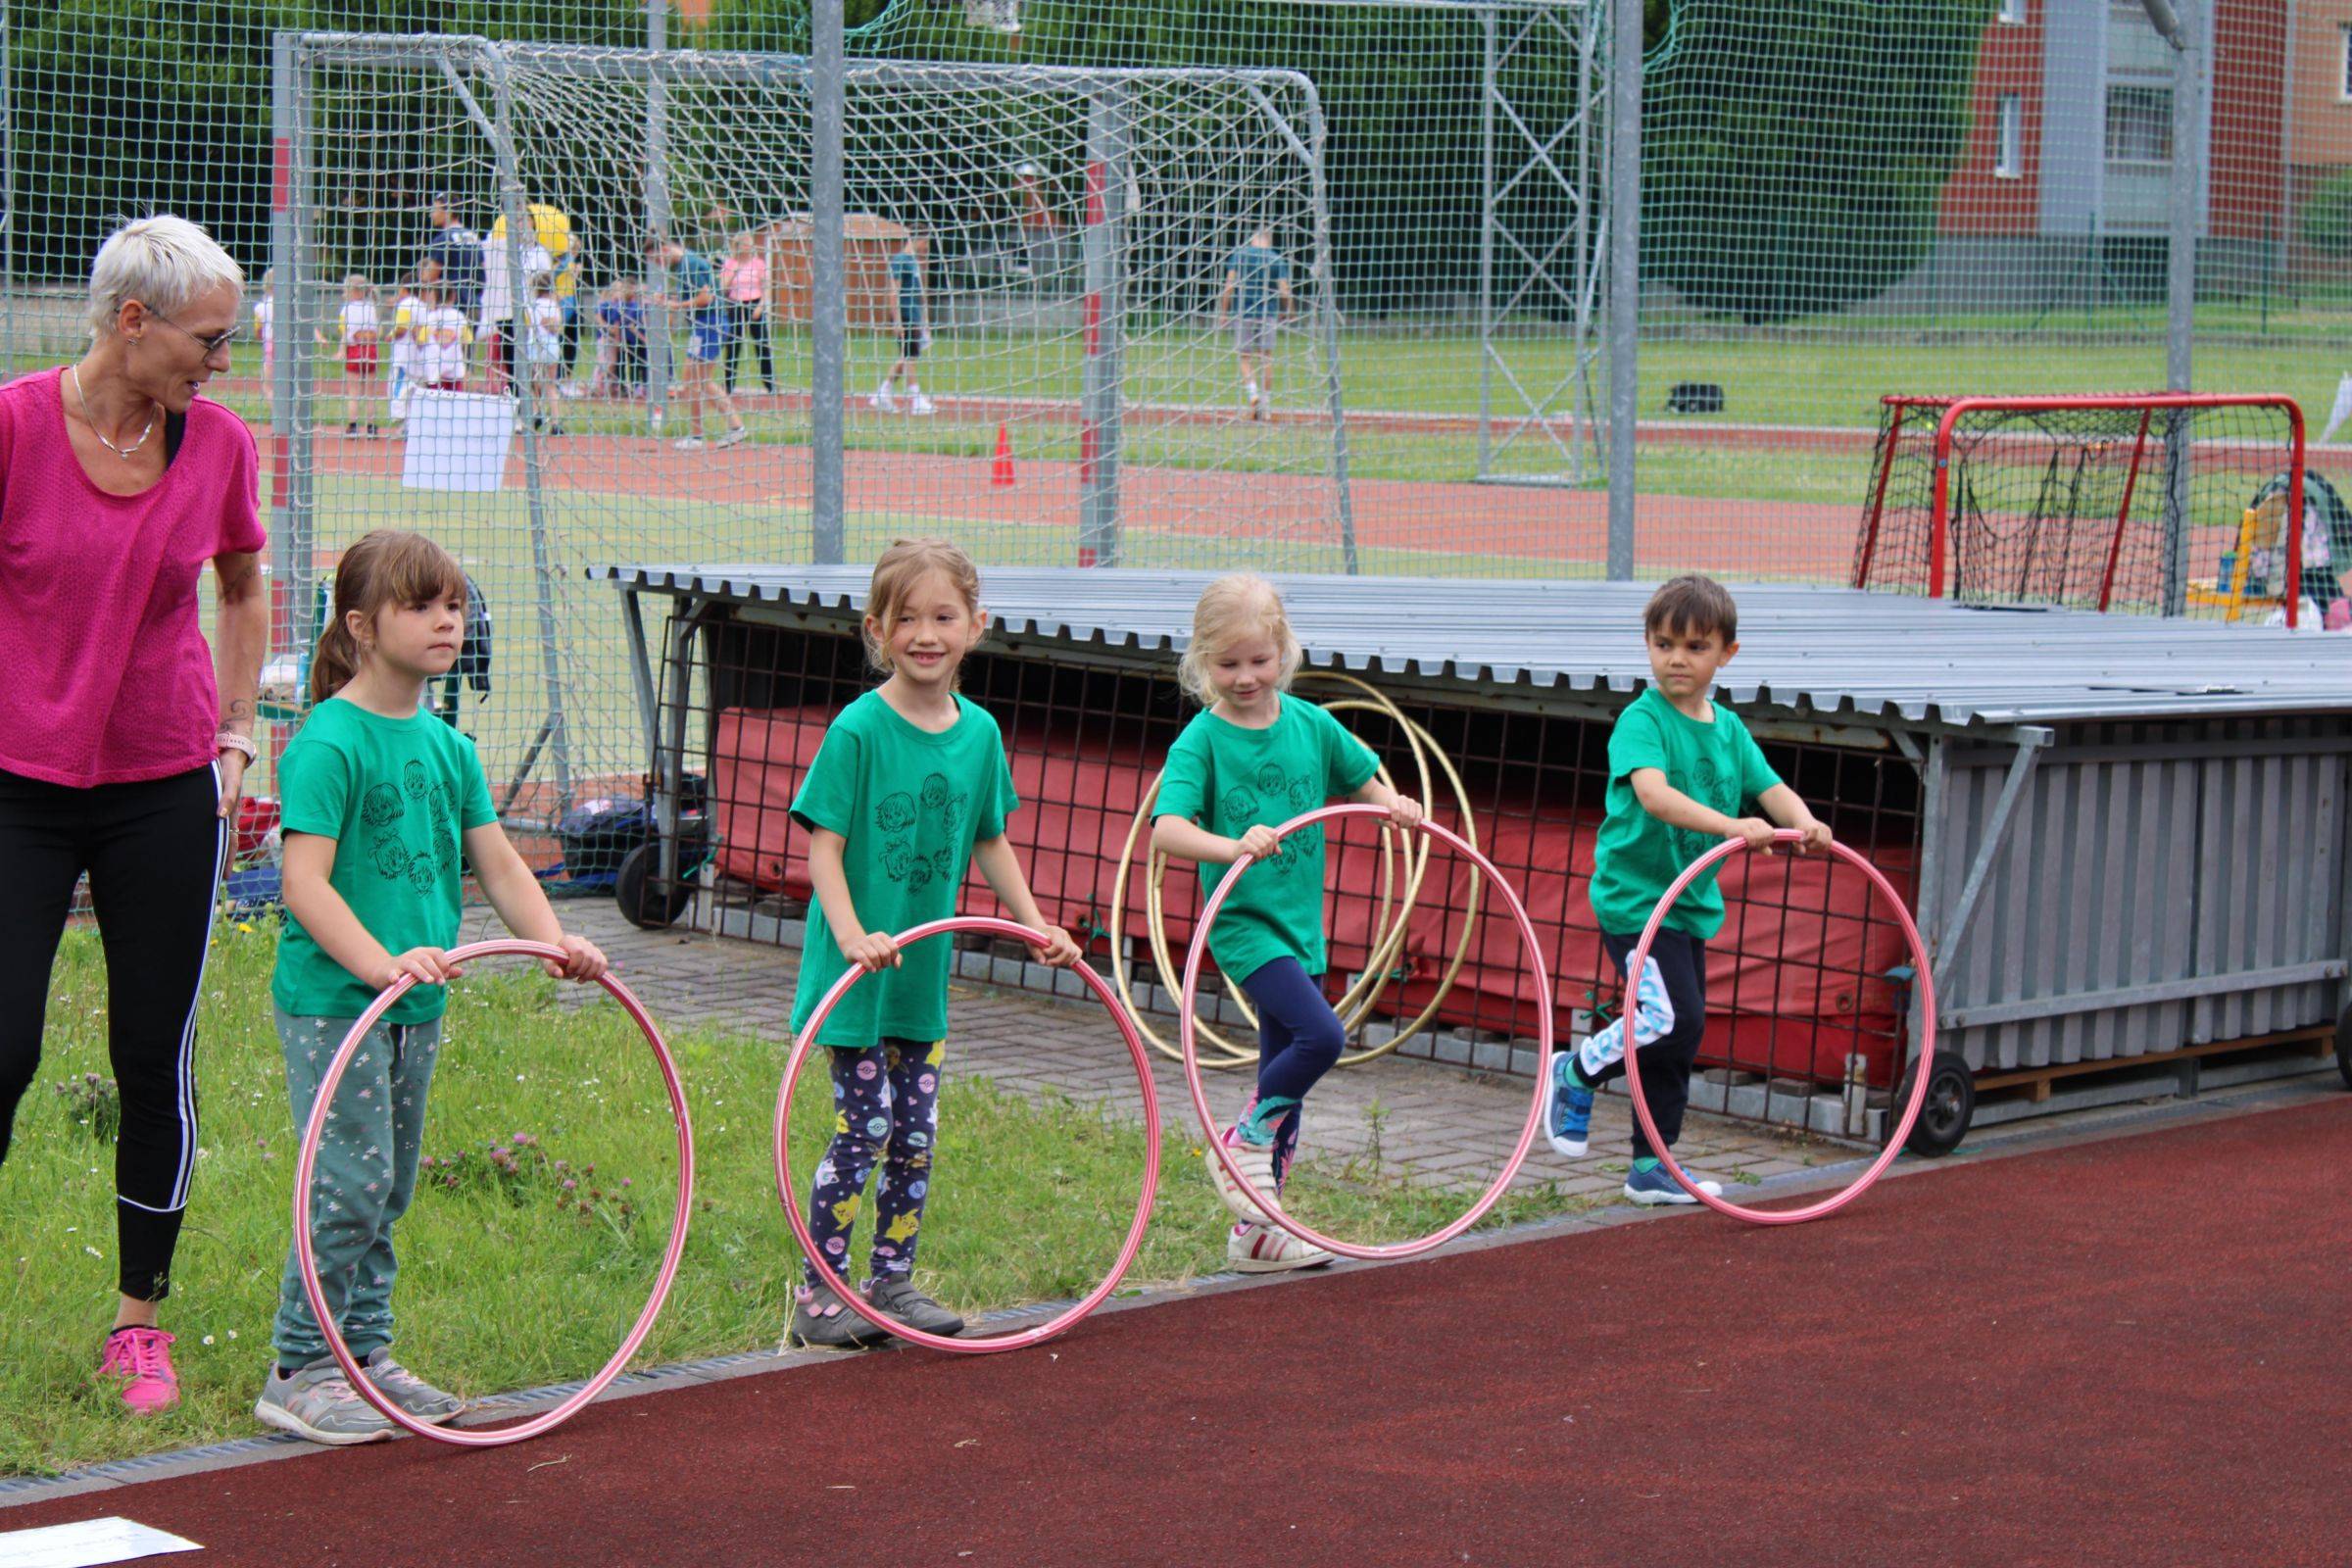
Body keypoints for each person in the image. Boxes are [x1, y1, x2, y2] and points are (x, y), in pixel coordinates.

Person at [254, 529, 609, 1445]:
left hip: (416, 1001)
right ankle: (300, 1366)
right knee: (346, 1184)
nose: (447, 620)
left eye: (454, 603)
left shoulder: (449, 749)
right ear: (363, 627)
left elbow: (498, 865)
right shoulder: (329, 742)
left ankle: (363, 1353)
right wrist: (377, 964)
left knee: (390, 1182)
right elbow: (304, 886)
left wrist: (554, 940)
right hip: (340, 1001)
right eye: (422, 605)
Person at [0, 215, 269, 1414]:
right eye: (209, 339)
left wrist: (236, 732)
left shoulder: (215, 445)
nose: (223, 360)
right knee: (2, 1046)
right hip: (16, 779)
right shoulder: (10, 427)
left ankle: (139, 1325)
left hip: (162, 779)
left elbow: (243, 584)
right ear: (132, 322)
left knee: (151, 1050)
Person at [785, 538, 1080, 1348]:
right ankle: (819, 1295)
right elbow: (824, 847)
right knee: (866, 1128)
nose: (925, 633)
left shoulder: (979, 734)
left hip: (920, 982)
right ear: (877, 630)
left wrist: (1033, 923)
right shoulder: (858, 730)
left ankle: (893, 1281)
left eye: (943, 616)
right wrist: (849, 935)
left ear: (976, 625)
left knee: (916, 1135)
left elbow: (991, 840)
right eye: (906, 618)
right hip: (859, 976)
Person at [1152, 574, 1423, 1274]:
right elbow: (1168, 829)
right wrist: (1231, 846)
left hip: (1304, 927)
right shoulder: (1202, 741)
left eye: (1258, 660)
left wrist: (1393, 802)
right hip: (1246, 925)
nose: (1245, 677)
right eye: (1227, 664)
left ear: (1283, 652)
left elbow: (1362, 776)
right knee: (1321, 1036)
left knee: (1286, 1078)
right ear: (1202, 663)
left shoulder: (1311, 725)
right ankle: (1240, 1141)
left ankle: (1258, 1231)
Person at [1546, 574, 1833, 1203]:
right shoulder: (1641, 720)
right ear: (1647, 645)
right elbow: (1654, 796)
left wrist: (1805, 823)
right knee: (1667, 1017)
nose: (1677, 659)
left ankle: (1652, 1165)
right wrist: (1732, 825)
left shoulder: (1727, 730)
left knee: (1680, 1034)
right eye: (1664, 644)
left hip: (1690, 905)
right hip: (1636, 901)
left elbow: (1771, 788)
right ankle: (1575, 1069)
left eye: (1696, 647)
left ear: (1727, 653)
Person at [645, 235, 746, 453]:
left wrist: (676, 305)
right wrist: (668, 300)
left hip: (710, 324)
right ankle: (724, 429)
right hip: (703, 325)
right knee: (696, 382)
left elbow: (705, 298)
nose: (657, 264)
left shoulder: (689, 264)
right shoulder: (683, 265)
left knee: (695, 382)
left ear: (664, 248)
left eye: (656, 259)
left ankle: (709, 433)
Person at [1214, 226, 1293, 421]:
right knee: (1266, 357)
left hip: (1244, 313)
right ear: (1269, 240)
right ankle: (1265, 406)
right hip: (1268, 314)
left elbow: (1229, 286)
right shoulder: (1276, 259)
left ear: (1253, 239)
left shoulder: (1239, 256)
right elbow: (1284, 290)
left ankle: (1253, 395)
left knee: (1245, 357)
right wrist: (1289, 311)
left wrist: (1224, 313)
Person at [476, 213, 552, 396]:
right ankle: (518, 400)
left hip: (530, 312)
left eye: (524, 219)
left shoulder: (539, 253)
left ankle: (534, 404)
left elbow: (547, 283)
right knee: (509, 358)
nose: (521, 224)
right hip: (507, 310)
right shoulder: (506, 250)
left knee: (531, 361)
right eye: (518, 220)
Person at [871, 232, 933, 416]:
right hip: (904, 316)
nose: (926, 248)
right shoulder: (900, 260)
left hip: (913, 316)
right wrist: (897, 320)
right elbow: (893, 291)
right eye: (925, 243)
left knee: (908, 356)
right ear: (917, 240)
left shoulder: (913, 262)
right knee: (910, 357)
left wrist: (923, 320)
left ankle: (883, 393)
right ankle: (916, 400)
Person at [717, 230, 776, 396]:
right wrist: (733, 272)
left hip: (754, 302)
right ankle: (728, 385)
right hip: (735, 303)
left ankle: (770, 385)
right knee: (733, 345)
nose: (749, 246)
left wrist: (760, 307)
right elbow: (722, 287)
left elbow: (767, 287)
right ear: (738, 245)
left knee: (762, 344)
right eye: (745, 243)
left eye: (750, 243)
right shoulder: (730, 263)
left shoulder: (758, 263)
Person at [420, 195, 483, 322]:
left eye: (434, 210)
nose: (431, 214)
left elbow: (429, 277)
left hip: (451, 307)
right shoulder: (473, 236)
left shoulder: (443, 239)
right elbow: (482, 271)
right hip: (474, 305)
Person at [333, 273, 381, 438]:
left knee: (353, 391)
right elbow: (377, 332)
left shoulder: (346, 310)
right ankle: (371, 428)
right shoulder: (372, 308)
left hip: (354, 349)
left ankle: (353, 427)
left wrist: (341, 350)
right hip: (371, 350)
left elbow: (345, 333)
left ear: (354, 291)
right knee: (370, 392)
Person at [522, 270, 565, 434]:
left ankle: (537, 411)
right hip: (552, 345)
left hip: (536, 344)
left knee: (534, 383)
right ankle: (556, 423)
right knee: (551, 385)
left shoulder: (532, 305)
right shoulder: (554, 305)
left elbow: (530, 326)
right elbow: (558, 326)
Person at [385, 273, 426, 427]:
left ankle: (399, 415)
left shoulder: (406, 305)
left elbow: (402, 328)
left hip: (404, 356)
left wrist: (390, 335)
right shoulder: (422, 305)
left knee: (398, 389)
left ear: (404, 288)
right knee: (414, 393)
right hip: (419, 355)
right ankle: (409, 427)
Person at [418, 284, 470, 393]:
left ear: (434, 297)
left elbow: (421, 339)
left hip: (435, 369)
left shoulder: (431, 317)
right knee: (455, 400)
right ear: (453, 296)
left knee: (436, 399)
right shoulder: (459, 316)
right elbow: (468, 339)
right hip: (455, 368)